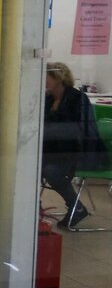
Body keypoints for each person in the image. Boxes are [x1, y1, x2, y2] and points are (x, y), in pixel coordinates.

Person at [42, 62, 108, 227]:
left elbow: (80, 131)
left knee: (50, 171)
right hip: (55, 150)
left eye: (47, 77)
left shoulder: (77, 98)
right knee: (30, 167)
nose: (43, 81)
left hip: (80, 152)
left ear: (58, 78)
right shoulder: (48, 98)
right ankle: (34, 207)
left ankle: (76, 207)